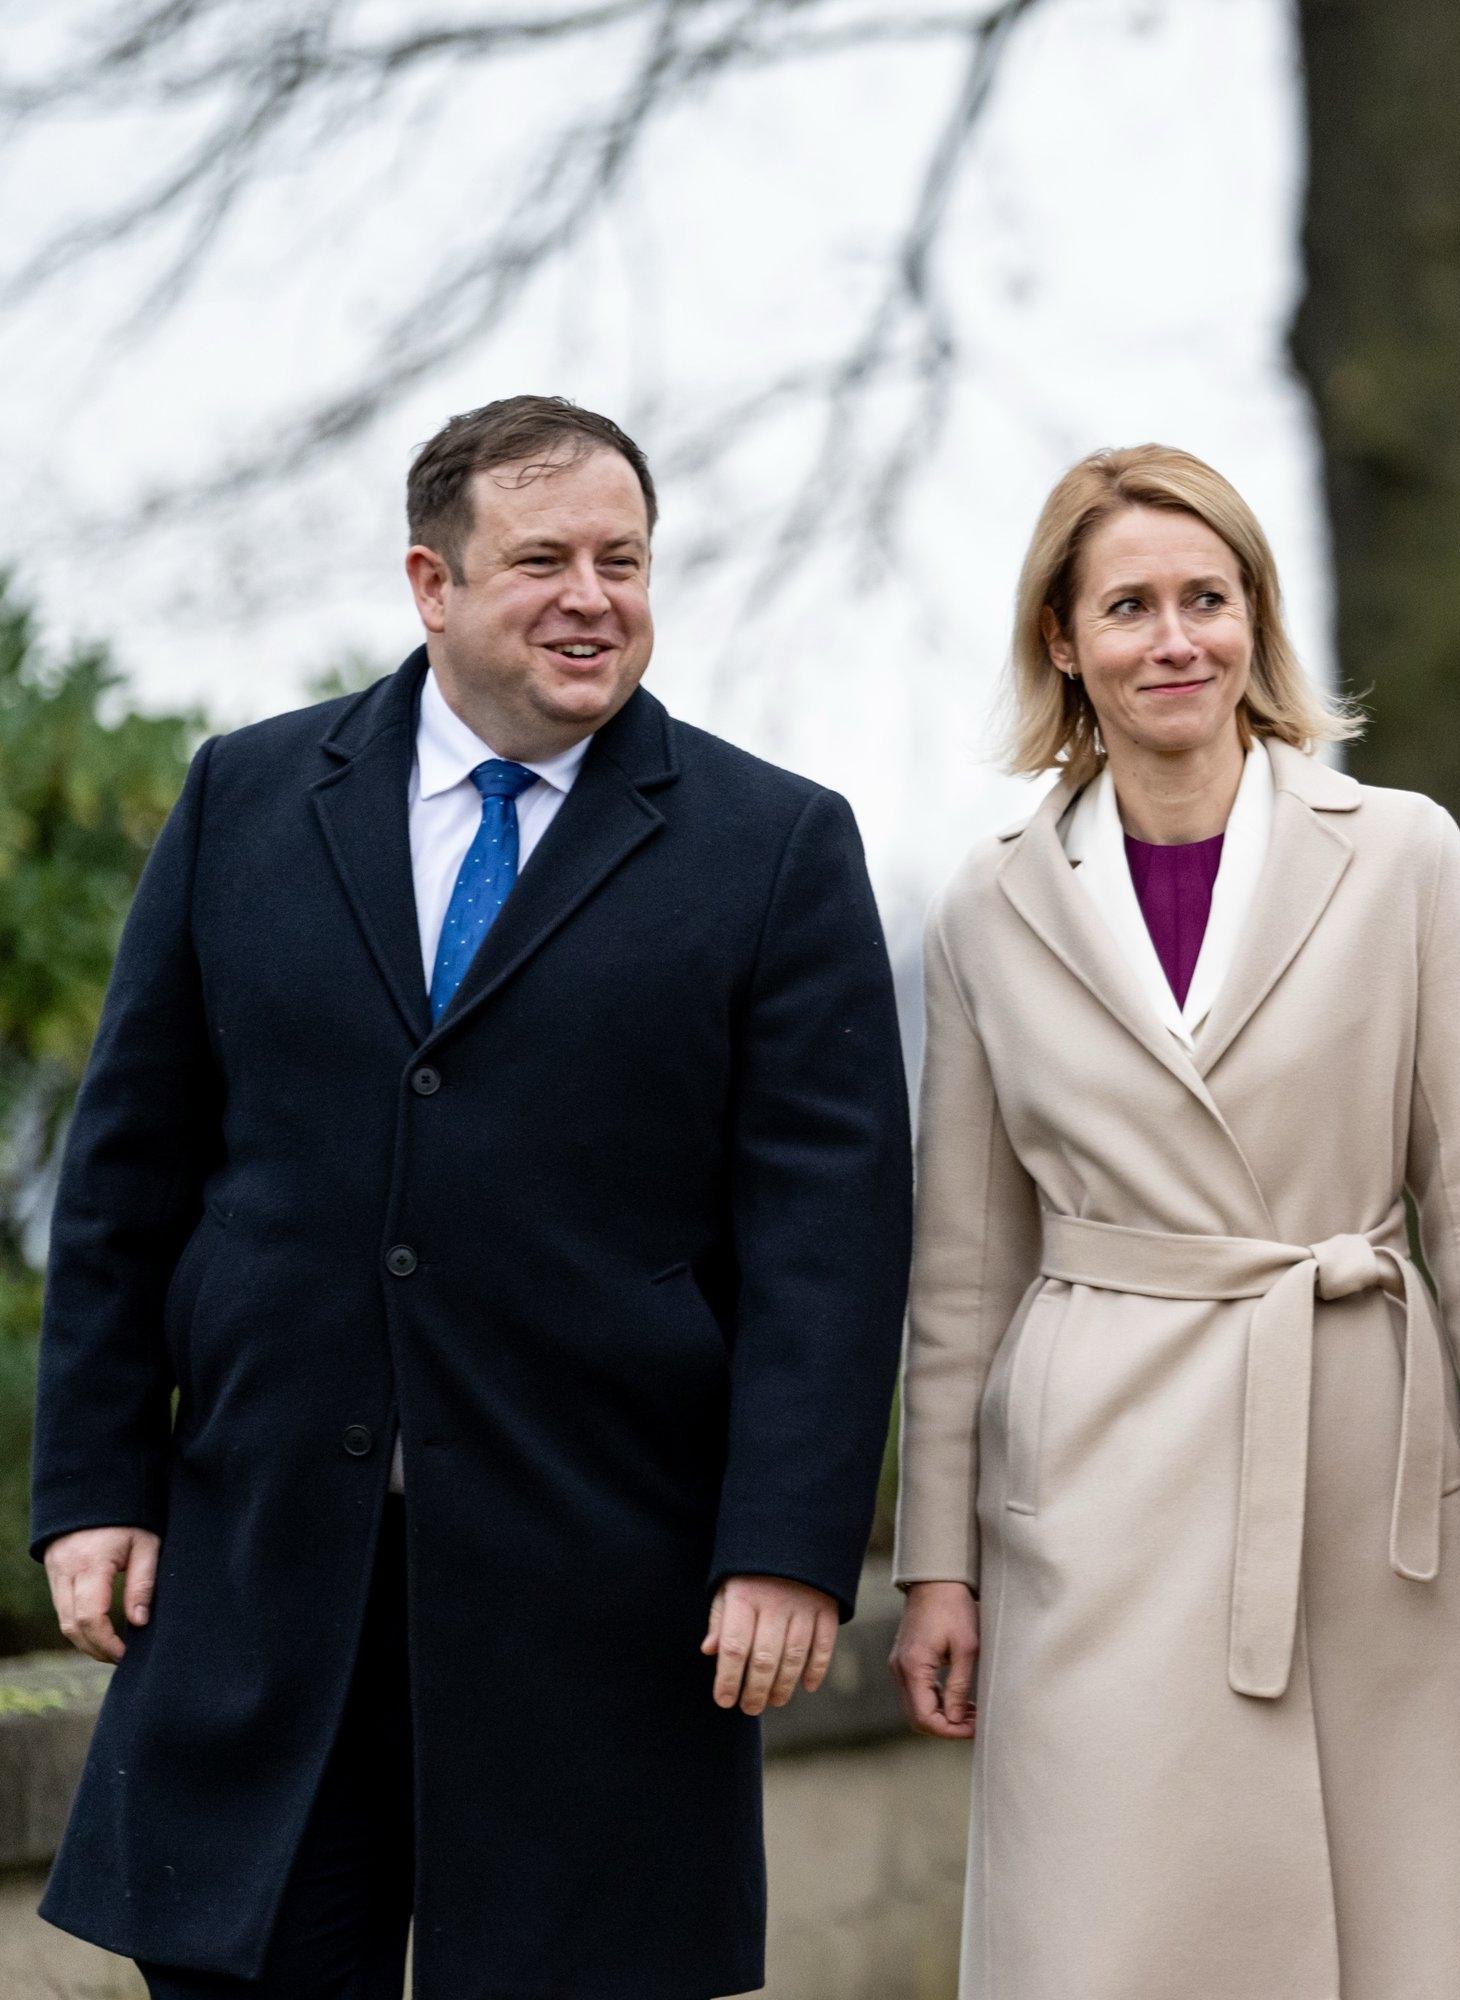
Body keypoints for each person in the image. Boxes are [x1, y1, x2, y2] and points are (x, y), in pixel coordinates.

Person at [28, 394, 914, 1999]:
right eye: (544, 560)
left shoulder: (773, 846)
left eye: (624, 559)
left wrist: (786, 1543)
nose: (594, 596)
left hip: (603, 1584)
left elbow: (829, 1243)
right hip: (267, 1561)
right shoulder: (247, 800)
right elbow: (127, 1175)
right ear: (432, 585)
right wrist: (94, 1483)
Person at [886, 445, 1460, 2000]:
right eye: (1128, 606)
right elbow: (965, 1266)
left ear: (1257, 619)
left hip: (1360, 1444)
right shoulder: (993, 901)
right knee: (1103, 1916)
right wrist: (937, 1565)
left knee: (1396, 1910)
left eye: (1207, 599)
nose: (1174, 639)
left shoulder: (1402, 851)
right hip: (1095, 1475)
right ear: (1063, 639)